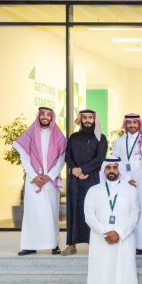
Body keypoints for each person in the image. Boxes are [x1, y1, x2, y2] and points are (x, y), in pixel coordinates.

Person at [83, 157, 139, 284]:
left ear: (119, 169)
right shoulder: (93, 191)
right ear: (104, 170)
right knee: (99, 278)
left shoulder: (130, 190)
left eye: (115, 167)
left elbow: (135, 214)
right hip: (101, 240)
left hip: (123, 240)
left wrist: (119, 233)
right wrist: (104, 233)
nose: (112, 170)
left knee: (125, 277)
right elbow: (89, 216)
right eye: (109, 168)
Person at [14, 107, 66, 256]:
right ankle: (30, 245)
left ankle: (53, 244)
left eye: (48, 115)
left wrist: (50, 175)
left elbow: (62, 159)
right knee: (33, 213)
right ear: (38, 116)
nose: (45, 117)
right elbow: (24, 158)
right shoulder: (30, 134)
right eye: (42, 114)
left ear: (52, 117)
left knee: (51, 213)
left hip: (50, 182)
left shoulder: (59, 136)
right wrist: (34, 176)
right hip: (33, 181)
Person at [63, 109, 108, 256]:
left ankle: (93, 244)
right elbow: (67, 156)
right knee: (73, 210)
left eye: (90, 117)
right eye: (85, 118)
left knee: (92, 211)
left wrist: (82, 170)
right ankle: (71, 245)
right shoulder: (73, 137)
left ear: (94, 120)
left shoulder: (101, 138)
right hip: (74, 180)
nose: (87, 120)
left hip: (92, 179)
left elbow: (99, 159)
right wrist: (75, 170)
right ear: (80, 120)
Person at [113, 113, 142, 255]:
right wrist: (127, 178)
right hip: (124, 182)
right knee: (124, 211)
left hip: (141, 182)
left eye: (135, 122)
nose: (132, 125)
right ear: (125, 125)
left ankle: (139, 245)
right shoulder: (119, 141)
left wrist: (136, 178)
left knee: (141, 212)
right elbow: (116, 161)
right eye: (129, 123)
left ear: (139, 124)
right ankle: (125, 242)